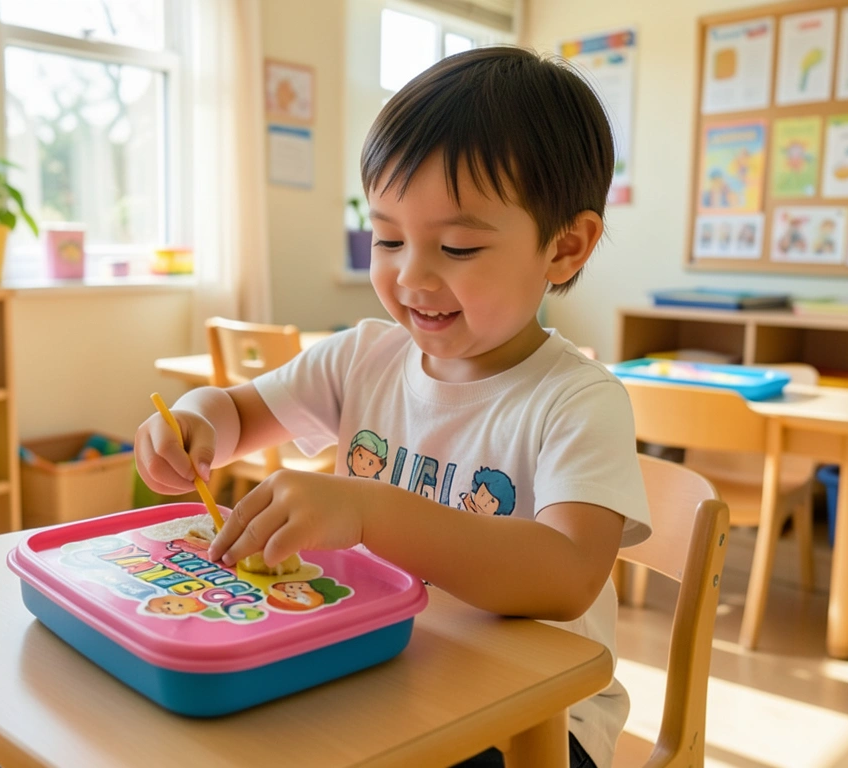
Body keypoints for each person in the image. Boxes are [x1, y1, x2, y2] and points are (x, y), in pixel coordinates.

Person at [135, 46, 650, 768]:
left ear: (565, 248)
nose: (412, 274)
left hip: (538, 717)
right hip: (379, 663)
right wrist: (191, 423)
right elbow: (239, 413)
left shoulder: (576, 401)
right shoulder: (363, 357)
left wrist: (369, 511)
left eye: (460, 246)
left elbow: (565, 576)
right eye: (388, 237)